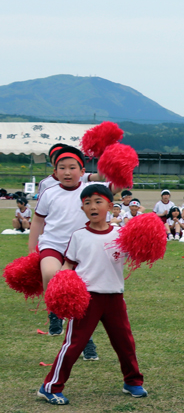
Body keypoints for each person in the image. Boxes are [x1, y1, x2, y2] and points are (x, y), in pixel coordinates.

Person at [37, 184, 146, 405]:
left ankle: (132, 381)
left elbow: (137, 253)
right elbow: (69, 263)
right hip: (87, 299)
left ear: (110, 206)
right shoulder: (78, 236)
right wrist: (60, 283)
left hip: (115, 296)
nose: (92, 207)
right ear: (82, 208)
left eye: (98, 202)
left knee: (125, 343)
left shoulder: (121, 235)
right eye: (87, 203)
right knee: (74, 344)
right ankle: (50, 387)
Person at [28, 146, 103, 356]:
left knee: (80, 295)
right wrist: (31, 249)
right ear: (55, 171)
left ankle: (86, 339)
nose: (67, 172)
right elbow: (37, 220)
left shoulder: (90, 190)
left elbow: (114, 183)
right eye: (62, 168)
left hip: (81, 248)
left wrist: (109, 154)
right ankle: (54, 311)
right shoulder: (48, 192)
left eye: (72, 168)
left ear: (82, 170)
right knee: (51, 273)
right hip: (52, 244)